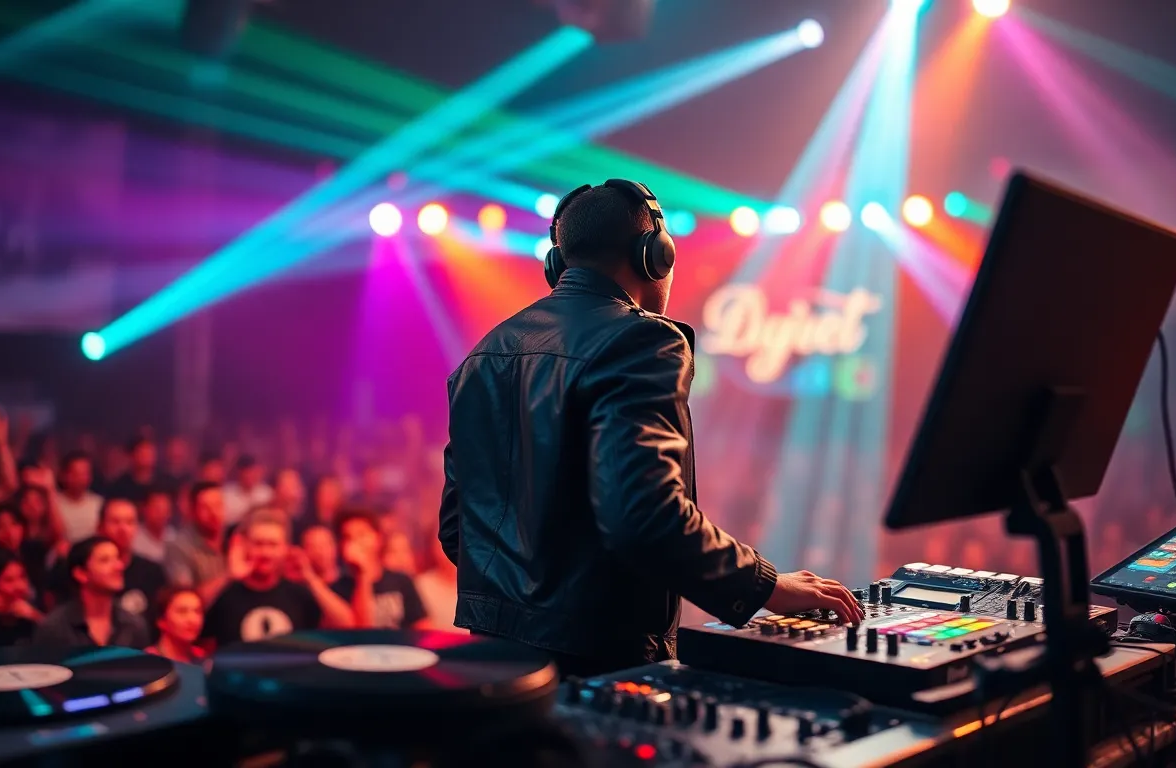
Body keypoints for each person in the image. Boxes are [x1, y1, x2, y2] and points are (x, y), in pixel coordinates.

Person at [439, 181, 862, 675]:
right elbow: (645, 516)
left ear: (558, 264)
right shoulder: (641, 339)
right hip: (603, 664)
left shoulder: (483, 356)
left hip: (496, 668)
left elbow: (457, 531)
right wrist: (766, 586)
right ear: (654, 256)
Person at [201, 507, 351, 650]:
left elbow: (346, 626)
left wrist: (310, 578)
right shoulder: (226, 591)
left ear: (285, 548)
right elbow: (189, 614)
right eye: (258, 544)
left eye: (273, 545)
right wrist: (228, 576)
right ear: (245, 545)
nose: (265, 553)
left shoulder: (298, 593)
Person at [32, 536, 150, 649]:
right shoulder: (55, 629)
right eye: (105, 560)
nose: (119, 566)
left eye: (117, 558)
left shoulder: (133, 626)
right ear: (80, 573)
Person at [333, 508, 428, 630]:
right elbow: (362, 631)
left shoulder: (401, 581)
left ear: (378, 538)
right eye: (348, 537)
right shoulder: (338, 588)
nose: (356, 542)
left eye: (361, 534)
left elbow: (423, 626)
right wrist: (363, 575)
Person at [145, 587, 206, 664]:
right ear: (161, 620)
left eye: (197, 611)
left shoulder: (203, 658)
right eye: (182, 611)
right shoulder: (148, 662)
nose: (193, 620)